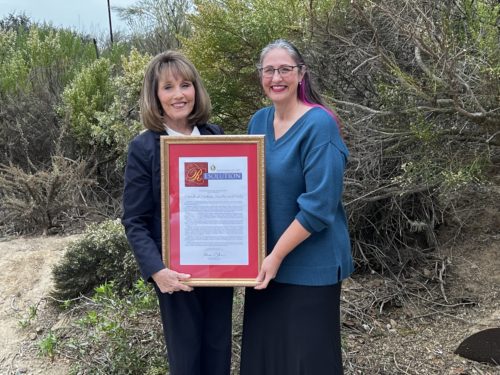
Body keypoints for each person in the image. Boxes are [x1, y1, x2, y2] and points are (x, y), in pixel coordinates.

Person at [240, 39, 354, 375]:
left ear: (301, 74)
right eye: (269, 70)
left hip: (309, 267)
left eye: (285, 69)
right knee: (266, 358)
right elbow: (244, 192)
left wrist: (274, 257)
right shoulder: (257, 122)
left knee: (308, 362)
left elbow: (318, 206)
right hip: (264, 269)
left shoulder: (320, 125)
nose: (277, 77)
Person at [122, 50, 233, 375]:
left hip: (218, 270)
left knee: (218, 352)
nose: (178, 94)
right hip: (176, 276)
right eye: (168, 87)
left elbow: (232, 202)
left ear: (195, 90)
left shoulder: (216, 137)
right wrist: (158, 271)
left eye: (185, 85)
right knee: (186, 360)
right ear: (155, 96)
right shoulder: (144, 148)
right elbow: (135, 220)